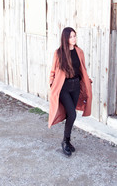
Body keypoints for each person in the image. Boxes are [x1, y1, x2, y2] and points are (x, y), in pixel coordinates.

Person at [48, 27, 92, 156]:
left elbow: (82, 68)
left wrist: (87, 80)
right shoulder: (59, 53)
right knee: (72, 114)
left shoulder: (79, 52)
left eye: (75, 36)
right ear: (65, 38)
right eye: (71, 36)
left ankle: (67, 140)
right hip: (64, 88)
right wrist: (52, 83)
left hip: (76, 86)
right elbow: (53, 71)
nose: (74, 39)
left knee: (70, 115)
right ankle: (65, 141)